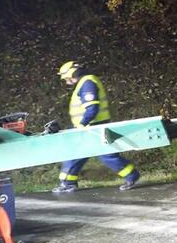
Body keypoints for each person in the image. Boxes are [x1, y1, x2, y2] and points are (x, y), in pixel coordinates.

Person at [52, 61, 141, 193]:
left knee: (105, 155)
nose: (66, 82)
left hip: (92, 126)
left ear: (72, 73)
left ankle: (131, 176)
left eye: (66, 78)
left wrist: (82, 124)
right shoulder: (85, 82)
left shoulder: (87, 83)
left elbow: (92, 108)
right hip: (89, 126)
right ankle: (68, 182)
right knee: (76, 152)